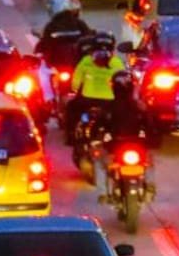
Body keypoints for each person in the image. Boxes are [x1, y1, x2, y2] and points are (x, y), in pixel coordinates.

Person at [96, 69, 154, 203]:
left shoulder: (108, 107)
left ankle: (103, 193)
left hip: (117, 146)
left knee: (99, 162)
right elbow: (151, 125)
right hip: (134, 145)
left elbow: (98, 125)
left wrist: (97, 137)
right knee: (149, 162)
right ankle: (150, 186)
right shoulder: (140, 106)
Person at [65, 33, 124, 143]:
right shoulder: (117, 62)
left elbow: (76, 81)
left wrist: (74, 89)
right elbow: (123, 80)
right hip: (110, 101)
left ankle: (71, 136)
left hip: (87, 99)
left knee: (71, 108)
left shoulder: (86, 60)